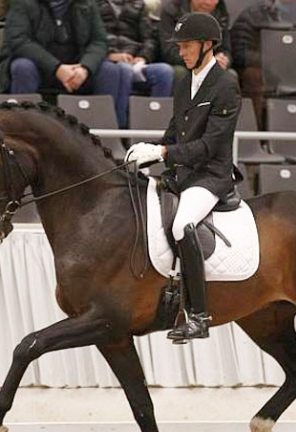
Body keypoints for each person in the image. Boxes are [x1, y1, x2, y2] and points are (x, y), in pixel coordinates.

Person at [125, 12, 241, 341]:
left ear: (207, 45)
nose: (182, 52)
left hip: (211, 176)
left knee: (181, 225)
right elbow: (175, 134)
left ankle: (199, 316)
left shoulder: (226, 84)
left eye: (187, 46)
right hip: (183, 173)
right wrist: (147, 153)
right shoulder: (183, 83)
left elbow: (209, 146)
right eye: (180, 47)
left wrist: (163, 154)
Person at [0, 0, 133, 128]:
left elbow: (99, 42)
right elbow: (19, 41)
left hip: (76, 70)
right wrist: (57, 68)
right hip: (40, 68)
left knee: (110, 71)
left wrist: (85, 68)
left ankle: (103, 135)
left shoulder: (87, 3)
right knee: (22, 67)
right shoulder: (23, 3)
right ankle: (25, 129)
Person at [230, 0, 296, 131]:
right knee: (253, 76)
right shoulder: (253, 16)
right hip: (266, 73)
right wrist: (269, 61)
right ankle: (254, 135)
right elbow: (240, 53)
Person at [95, 0, 174, 103]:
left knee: (164, 71)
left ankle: (155, 118)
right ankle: (119, 119)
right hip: (105, 59)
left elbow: (149, 38)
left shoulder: (138, 5)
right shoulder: (93, 4)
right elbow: (91, 40)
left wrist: (143, 57)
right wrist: (109, 55)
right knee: (124, 69)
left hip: (132, 59)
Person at [158, 0, 232, 82]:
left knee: (230, 75)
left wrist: (223, 59)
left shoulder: (221, 14)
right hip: (181, 63)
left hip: (210, 63)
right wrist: (201, 61)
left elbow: (225, 48)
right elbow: (169, 50)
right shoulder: (173, 11)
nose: (207, 2)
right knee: (180, 73)